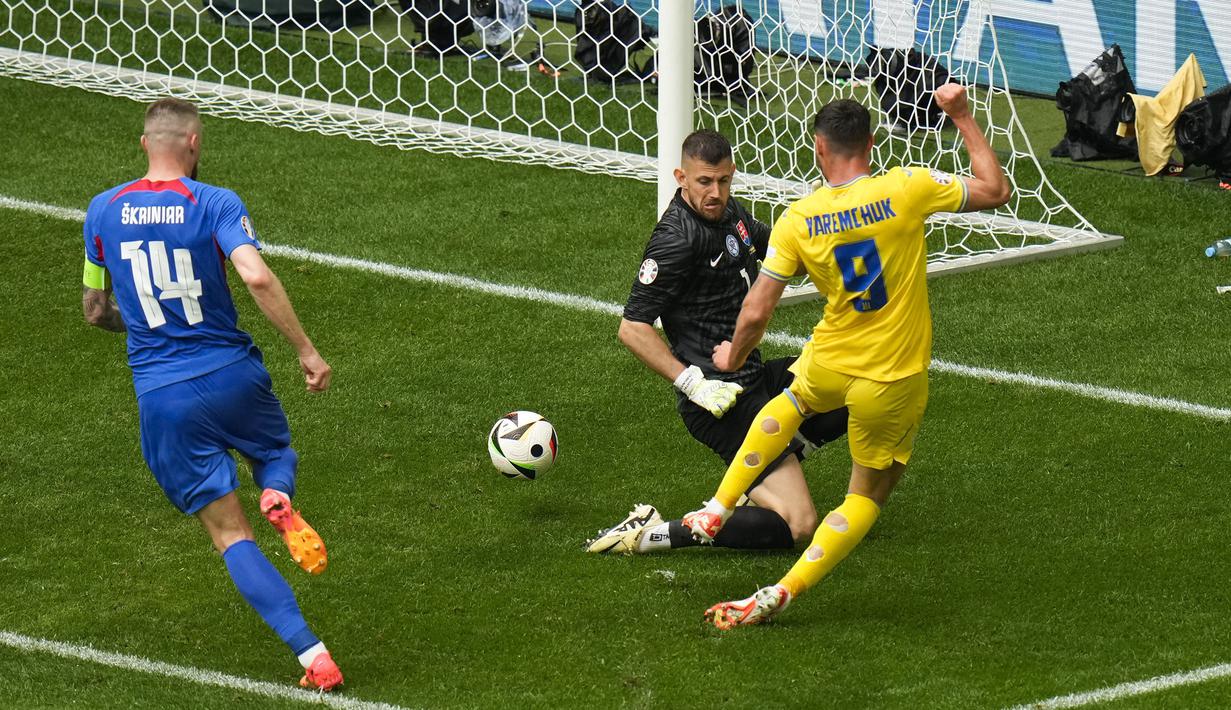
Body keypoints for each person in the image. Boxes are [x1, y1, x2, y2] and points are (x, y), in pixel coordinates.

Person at [681, 84, 1012, 628]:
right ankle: (783, 591)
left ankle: (718, 507)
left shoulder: (798, 217)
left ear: (818, 147)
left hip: (830, 358)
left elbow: (757, 310)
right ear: (872, 144)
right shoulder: (907, 187)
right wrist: (961, 116)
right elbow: (995, 190)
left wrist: (732, 357)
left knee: (790, 403)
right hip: (891, 376)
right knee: (867, 496)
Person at [81, 97, 344, 689]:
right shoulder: (215, 202)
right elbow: (255, 274)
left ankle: (314, 657)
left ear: (144, 144)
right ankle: (276, 492)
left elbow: (95, 310)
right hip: (233, 375)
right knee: (274, 453)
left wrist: (146, 325)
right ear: (195, 143)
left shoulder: (102, 210)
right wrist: (307, 351)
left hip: (164, 396)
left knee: (231, 535)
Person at [586, 129, 847, 556]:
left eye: (723, 181)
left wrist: (818, 221)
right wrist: (693, 384)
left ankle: (760, 477)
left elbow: (785, 256)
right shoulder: (675, 239)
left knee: (851, 386)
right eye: (704, 182)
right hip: (720, 401)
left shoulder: (731, 213)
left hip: (754, 376)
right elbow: (632, 327)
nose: (715, 192)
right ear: (681, 178)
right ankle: (654, 532)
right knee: (798, 524)